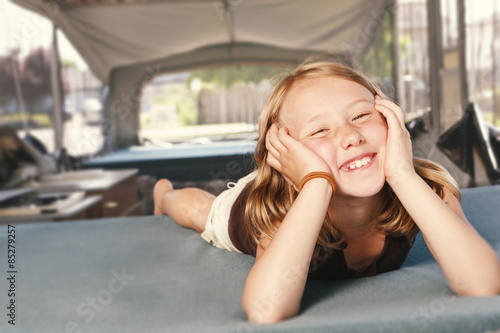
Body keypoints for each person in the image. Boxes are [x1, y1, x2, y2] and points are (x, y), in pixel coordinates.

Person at [153, 60, 500, 323]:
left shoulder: (429, 185)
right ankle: (164, 195)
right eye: (319, 130)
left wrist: (402, 175)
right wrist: (316, 182)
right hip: (288, 191)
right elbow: (266, 309)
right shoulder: (276, 207)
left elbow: (482, 284)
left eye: (363, 115)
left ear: (391, 118)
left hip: (325, 178)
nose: (350, 136)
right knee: (200, 210)